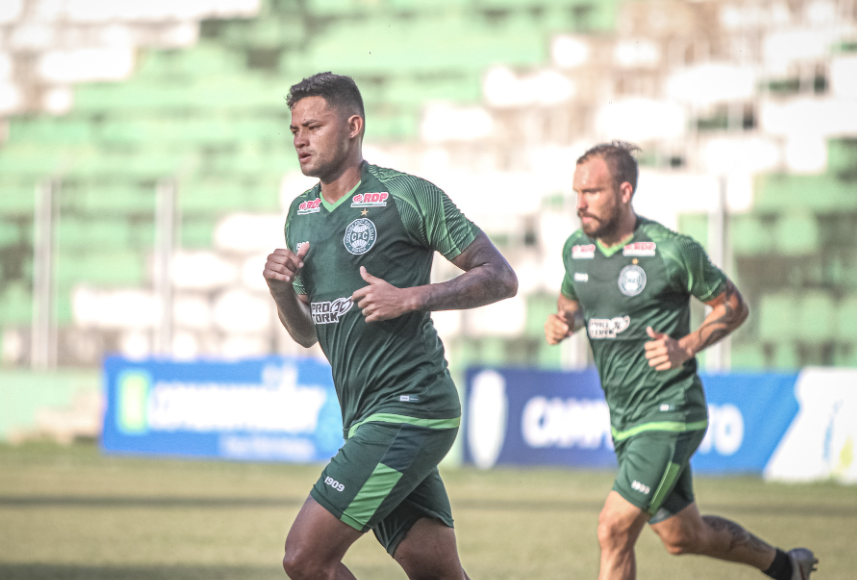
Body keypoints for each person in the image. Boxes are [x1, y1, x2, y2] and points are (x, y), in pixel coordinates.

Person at [264, 72, 518, 580]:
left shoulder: (407, 196)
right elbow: (307, 331)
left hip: (411, 409)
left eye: (313, 126)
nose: (300, 139)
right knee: (434, 569)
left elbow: (501, 276)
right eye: (294, 129)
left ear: (353, 126)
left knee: (305, 558)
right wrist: (279, 291)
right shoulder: (301, 214)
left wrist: (411, 298)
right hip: (365, 417)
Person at [544, 142, 819, 580]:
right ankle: (788, 568)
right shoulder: (576, 250)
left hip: (671, 411)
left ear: (625, 191)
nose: (580, 204)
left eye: (592, 192)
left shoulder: (670, 251)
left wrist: (685, 346)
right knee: (682, 536)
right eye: (577, 193)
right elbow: (572, 303)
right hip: (625, 419)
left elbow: (733, 306)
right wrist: (565, 323)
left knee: (612, 530)